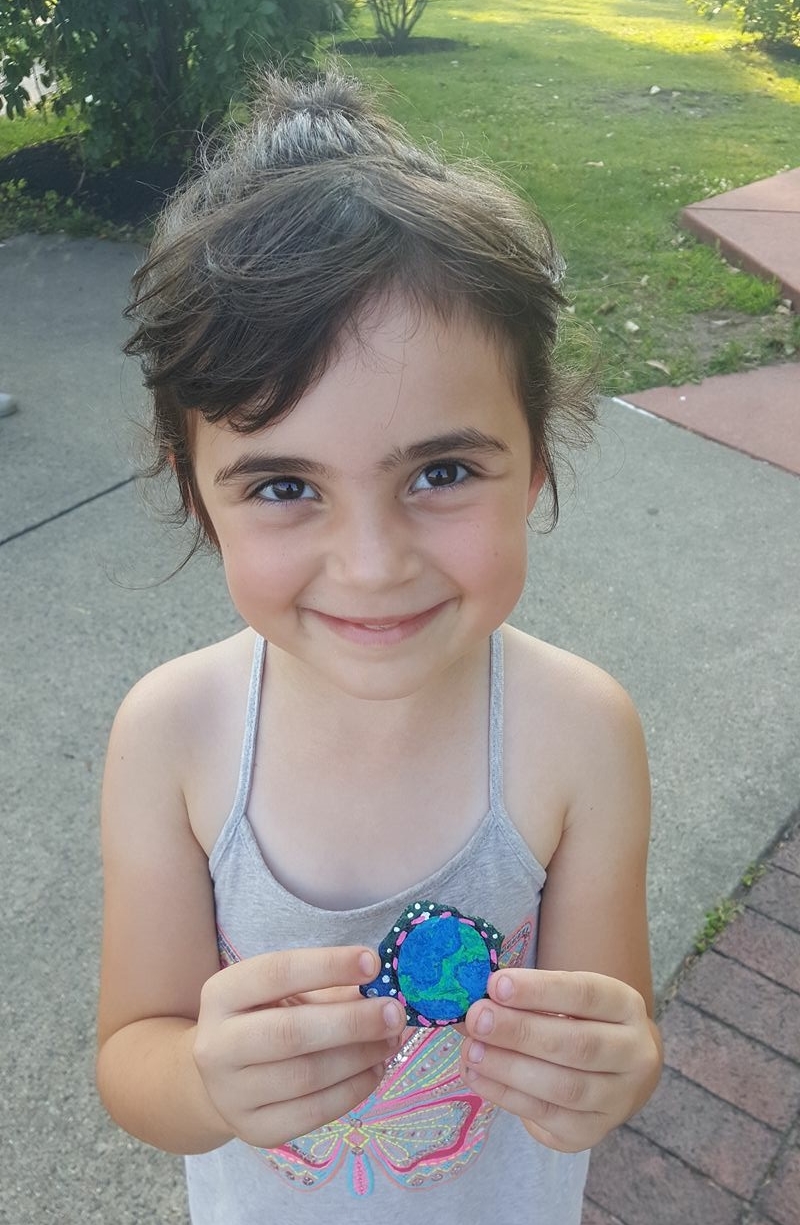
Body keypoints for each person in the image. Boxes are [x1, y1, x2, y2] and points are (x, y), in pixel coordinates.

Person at [97, 69, 662, 1224]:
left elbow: (618, 1022)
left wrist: (611, 1071)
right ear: (200, 497)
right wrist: (204, 1077)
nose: (370, 562)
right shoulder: (174, 737)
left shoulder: (579, 733)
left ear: (535, 466)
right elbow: (132, 1055)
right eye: (284, 484)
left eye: (440, 471)